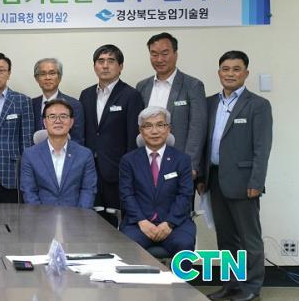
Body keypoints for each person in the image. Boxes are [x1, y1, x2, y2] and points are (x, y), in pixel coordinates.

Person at [200, 51, 272, 301]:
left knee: (249, 238)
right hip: (215, 178)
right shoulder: (209, 102)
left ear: (246, 73)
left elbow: (262, 147)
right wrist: (201, 178)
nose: (230, 74)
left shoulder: (258, 105)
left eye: (236, 69)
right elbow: (204, 142)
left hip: (244, 182)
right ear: (219, 72)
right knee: (226, 238)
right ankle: (230, 284)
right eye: (226, 69)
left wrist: (257, 182)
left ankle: (251, 287)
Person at [79, 44, 144, 225]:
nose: (105, 66)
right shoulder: (86, 95)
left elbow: (133, 137)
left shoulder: (131, 95)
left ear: (120, 66)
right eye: (100, 61)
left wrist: (130, 171)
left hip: (117, 171)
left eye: (111, 61)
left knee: (117, 224)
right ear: (94, 66)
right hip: (90, 170)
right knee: (91, 223)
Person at [119, 106, 196, 256]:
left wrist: (169, 223)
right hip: (138, 224)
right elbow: (126, 195)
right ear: (141, 131)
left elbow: (185, 195)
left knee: (184, 244)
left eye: (160, 125)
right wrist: (142, 222)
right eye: (148, 126)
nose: (154, 131)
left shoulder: (182, 160)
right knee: (128, 247)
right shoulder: (129, 160)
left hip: (175, 224)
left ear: (168, 129)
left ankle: (179, 275)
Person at [136, 32, 207, 182]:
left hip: (179, 163)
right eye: (154, 54)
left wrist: (191, 165)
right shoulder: (142, 86)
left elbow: (197, 128)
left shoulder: (193, 86)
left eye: (165, 53)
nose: (159, 59)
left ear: (175, 54)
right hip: (147, 164)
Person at [20, 99, 96, 207]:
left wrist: (80, 215)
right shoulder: (30, 155)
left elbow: (88, 190)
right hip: (41, 215)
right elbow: (29, 192)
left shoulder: (85, 155)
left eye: (63, 116)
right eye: (52, 116)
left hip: (76, 215)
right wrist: (39, 216)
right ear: (45, 122)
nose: (58, 121)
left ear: (71, 122)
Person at [0, 53, 34, 203]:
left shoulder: (23, 101)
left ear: (9, 74)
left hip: (12, 169)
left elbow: (26, 141)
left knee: (13, 214)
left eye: (2, 70)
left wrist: (27, 173)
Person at [31, 58, 84, 145]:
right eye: (43, 74)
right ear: (37, 78)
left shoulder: (74, 105)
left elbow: (77, 139)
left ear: (59, 77)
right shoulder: (31, 104)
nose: (47, 78)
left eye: (52, 73)